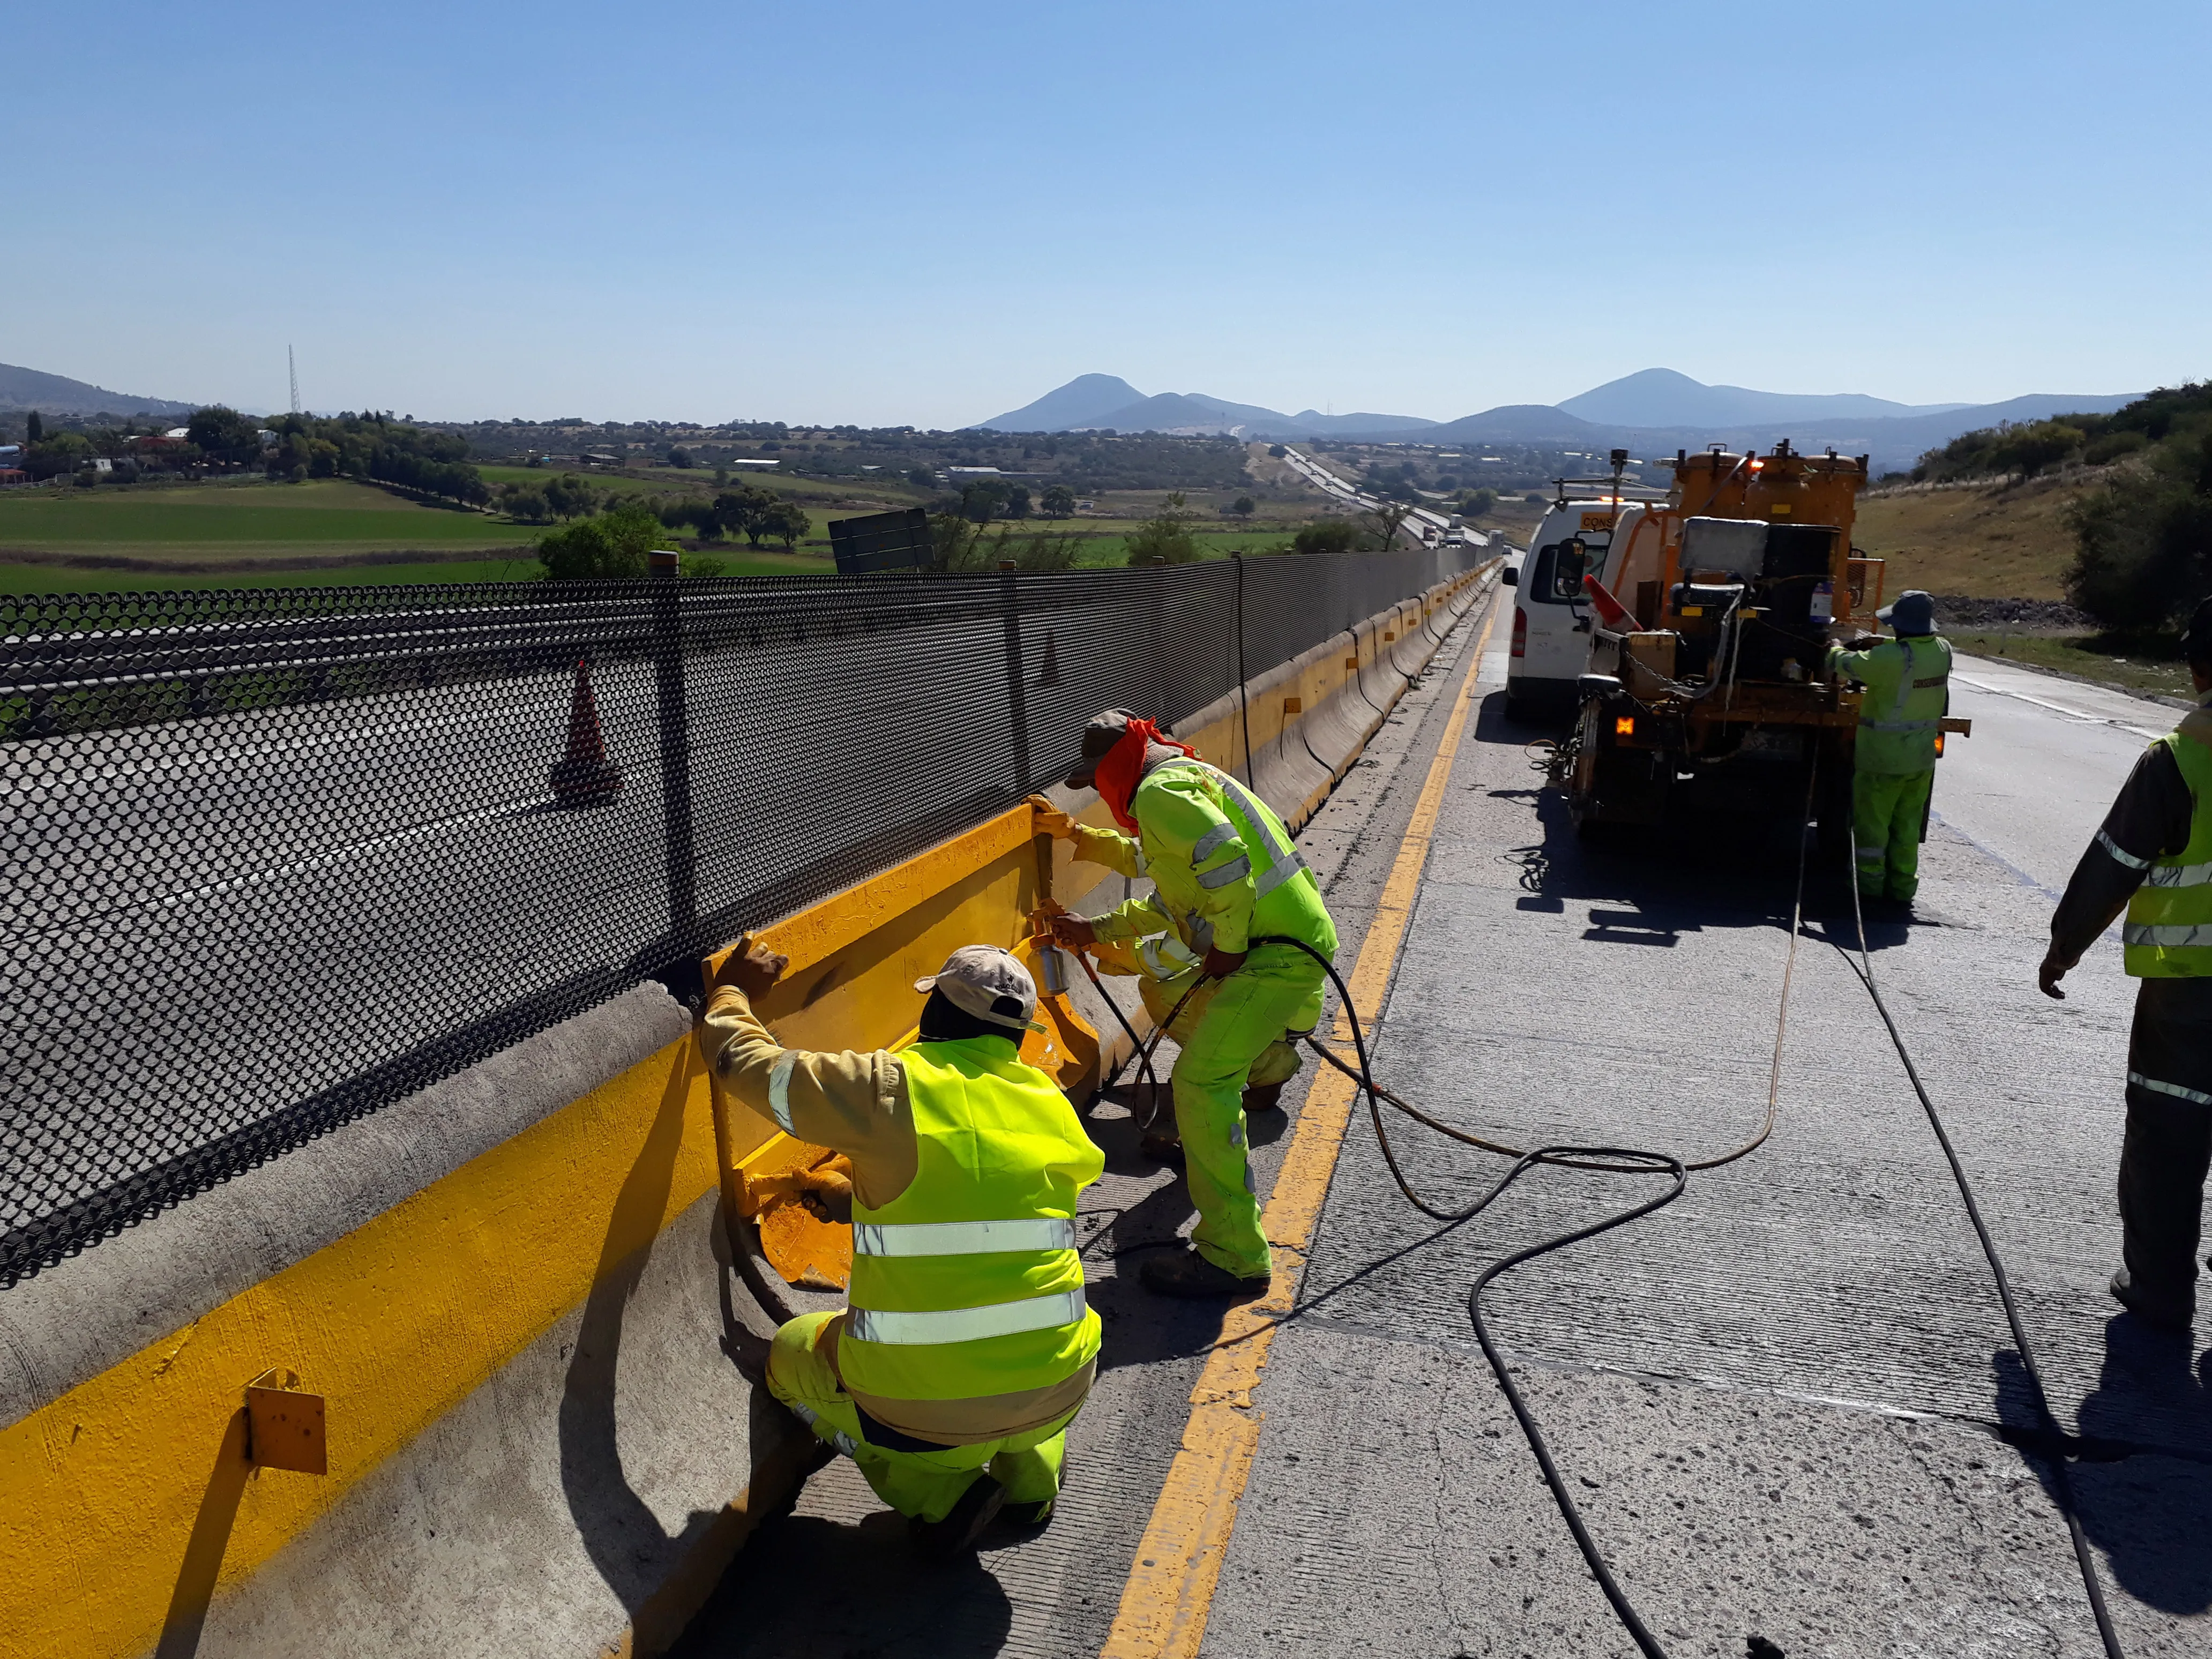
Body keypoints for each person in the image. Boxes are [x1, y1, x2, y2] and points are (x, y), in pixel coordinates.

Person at [702, 940, 1105, 1555]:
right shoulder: (1049, 1103)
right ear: (1018, 1035)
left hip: (926, 1409)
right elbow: (982, 1207)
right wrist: (862, 1199)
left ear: (936, 1012)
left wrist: (731, 993)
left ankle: (938, 1498)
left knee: (790, 1355)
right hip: (1063, 1386)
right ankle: (1032, 1485)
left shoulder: (888, 1087)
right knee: (1019, 1373)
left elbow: (745, 1065)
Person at [1033, 708, 1339, 1300]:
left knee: (1201, 1083)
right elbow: (1173, 893)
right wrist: (1093, 924)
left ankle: (1234, 1257)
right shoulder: (1187, 782)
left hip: (1273, 958)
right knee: (1181, 1017)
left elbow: (1227, 872)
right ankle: (1221, 1120)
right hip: (1282, 950)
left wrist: (1225, 949)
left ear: (1118, 767)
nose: (1099, 791)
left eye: (1098, 780)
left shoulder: (1159, 793)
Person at [2041, 596, 2212, 1332]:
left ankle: (2160, 1289)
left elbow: (2117, 862)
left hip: (2191, 994)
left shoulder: (2181, 759)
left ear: (2199, 667)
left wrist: (2064, 945)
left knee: (2169, 1134)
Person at [1827, 588, 1953, 910]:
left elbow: (1848, 665)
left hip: (1882, 759)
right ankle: (1901, 889)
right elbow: (1907, 660)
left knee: (1872, 827)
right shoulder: (1942, 650)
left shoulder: (1891, 659)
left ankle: (1867, 888)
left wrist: (1835, 648)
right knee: (1907, 827)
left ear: (1898, 626)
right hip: (1920, 759)